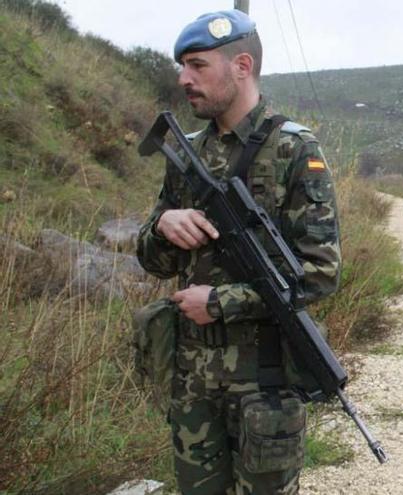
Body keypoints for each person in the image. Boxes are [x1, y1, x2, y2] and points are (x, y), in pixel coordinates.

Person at [136, 10, 340, 494]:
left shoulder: (294, 149)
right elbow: (154, 261)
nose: (184, 78)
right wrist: (163, 227)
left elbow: (321, 274)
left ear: (241, 65)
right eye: (181, 66)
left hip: (263, 383)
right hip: (192, 382)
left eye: (197, 65)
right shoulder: (185, 153)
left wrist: (220, 302)